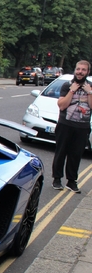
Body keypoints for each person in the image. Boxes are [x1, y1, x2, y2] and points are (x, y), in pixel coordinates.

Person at [52, 60, 92, 193]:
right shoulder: (66, 85)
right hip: (65, 125)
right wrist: (72, 91)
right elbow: (62, 105)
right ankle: (57, 179)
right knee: (60, 152)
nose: (80, 72)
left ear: (88, 72)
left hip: (82, 127)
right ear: (75, 70)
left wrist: (89, 93)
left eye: (83, 70)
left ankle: (71, 181)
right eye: (78, 69)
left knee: (76, 155)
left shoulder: (90, 87)